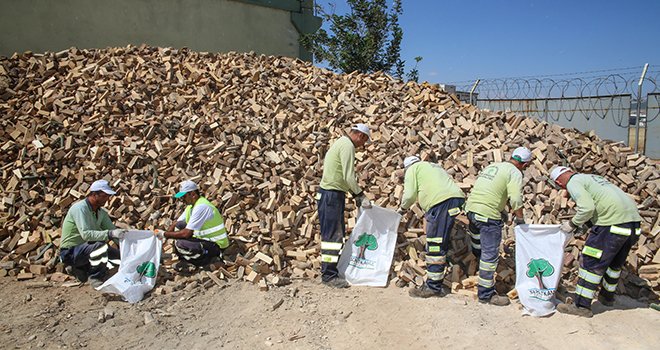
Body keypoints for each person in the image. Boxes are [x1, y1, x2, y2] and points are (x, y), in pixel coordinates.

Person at [550, 166, 642, 318]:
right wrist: (586, 226)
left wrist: (572, 224)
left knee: (590, 264)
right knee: (614, 265)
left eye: (559, 183)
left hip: (611, 225)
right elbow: (602, 204)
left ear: (560, 180)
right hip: (632, 224)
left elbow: (587, 208)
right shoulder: (593, 178)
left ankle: (581, 306)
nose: (561, 187)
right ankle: (607, 297)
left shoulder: (574, 182)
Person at [464, 147, 532, 306]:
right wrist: (520, 219)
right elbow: (515, 198)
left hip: (472, 210)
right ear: (525, 164)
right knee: (490, 255)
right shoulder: (515, 172)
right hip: (488, 216)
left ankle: (476, 270)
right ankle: (486, 294)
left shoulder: (494, 166)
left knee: (477, 243)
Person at [397, 156, 465, 298]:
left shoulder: (412, 170)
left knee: (434, 243)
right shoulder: (433, 166)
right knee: (442, 239)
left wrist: (402, 209)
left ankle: (433, 287)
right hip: (457, 199)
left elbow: (409, 195)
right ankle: (442, 274)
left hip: (440, 203)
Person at [317, 123, 372, 288]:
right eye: (364, 142)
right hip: (331, 195)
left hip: (330, 194)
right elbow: (348, 176)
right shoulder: (348, 146)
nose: (362, 146)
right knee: (332, 237)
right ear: (360, 136)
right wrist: (359, 194)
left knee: (332, 235)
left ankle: (330, 272)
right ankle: (329, 276)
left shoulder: (341, 142)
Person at [60, 180, 126, 288]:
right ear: (94, 194)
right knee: (100, 246)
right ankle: (95, 277)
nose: (107, 199)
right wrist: (110, 234)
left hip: (87, 249)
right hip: (71, 251)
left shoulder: (101, 213)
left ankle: (81, 268)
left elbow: (112, 231)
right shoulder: (80, 208)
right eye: (104, 196)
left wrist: (126, 247)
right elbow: (86, 235)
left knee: (120, 257)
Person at [158, 180, 229, 269]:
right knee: (179, 226)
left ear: (193, 194)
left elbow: (186, 233)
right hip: (205, 240)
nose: (182, 200)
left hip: (217, 245)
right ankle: (189, 258)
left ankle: (207, 262)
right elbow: (176, 223)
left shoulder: (201, 207)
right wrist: (165, 236)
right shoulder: (191, 207)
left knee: (181, 244)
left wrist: (164, 234)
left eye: (184, 197)